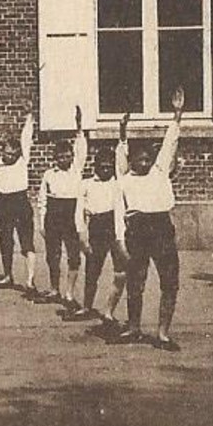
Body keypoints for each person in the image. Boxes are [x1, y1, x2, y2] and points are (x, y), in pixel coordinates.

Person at [116, 89, 186, 350]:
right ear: (131, 161)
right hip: (136, 230)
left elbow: (169, 143)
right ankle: (134, 327)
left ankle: (163, 333)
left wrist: (177, 115)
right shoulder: (124, 181)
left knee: (170, 281)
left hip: (161, 228)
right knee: (136, 280)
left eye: (148, 159)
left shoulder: (160, 172)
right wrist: (121, 241)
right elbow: (118, 216)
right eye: (139, 159)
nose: (144, 163)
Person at [66, 130, 129, 329]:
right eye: (101, 167)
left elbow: (122, 159)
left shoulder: (119, 184)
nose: (105, 170)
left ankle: (109, 310)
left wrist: (122, 135)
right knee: (93, 270)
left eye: (109, 167)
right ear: (95, 166)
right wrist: (82, 236)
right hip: (96, 228)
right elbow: (79, 213)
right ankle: (86, 306)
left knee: (121, 272)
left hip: (116, 226)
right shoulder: (86, 184)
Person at [0, 113, 41, 298]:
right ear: (1, 151)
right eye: (7, 153)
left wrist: (29, 118)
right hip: (4, 206)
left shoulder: (23, 162)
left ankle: (30, 280)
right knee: (6, 242)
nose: (10, 156)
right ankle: (8, 275)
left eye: (14, 154)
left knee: (27, 242)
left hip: (21, 203)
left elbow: (27, 139)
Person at [39, 108, 89, 307]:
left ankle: (69, 292)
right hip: (53, 215)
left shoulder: (77, 170)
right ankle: (54, 289)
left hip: (72, 215)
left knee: (74, 255)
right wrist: (42, 222)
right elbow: (42, 200)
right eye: (61, 157)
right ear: (55, 158)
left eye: (68, 156)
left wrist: (79, 127)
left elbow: (82, 148)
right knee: (53, 255)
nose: (65, 160)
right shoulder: (49, 175)